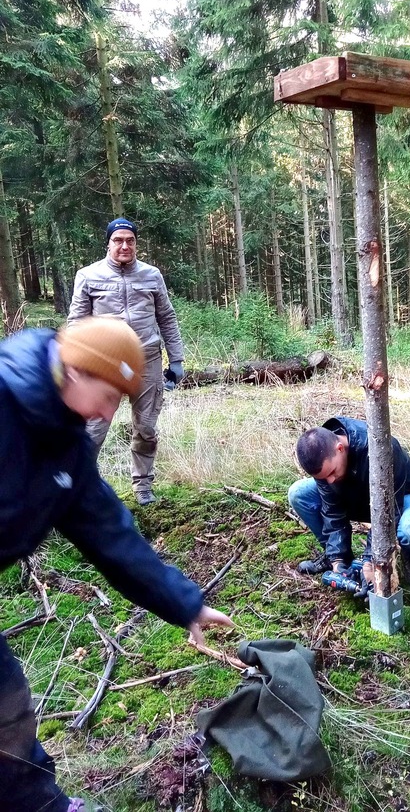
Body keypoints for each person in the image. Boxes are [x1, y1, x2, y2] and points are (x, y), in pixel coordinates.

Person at [0, 317, 233, 812]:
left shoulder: (67, 447)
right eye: (108, 396)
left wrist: (184, 603)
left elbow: (110, 536)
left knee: (6, 705)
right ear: (75, 372)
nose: (110, 412)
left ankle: (41, 806)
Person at [68, 217, 186, 505]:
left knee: (146, 427)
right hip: (104, 365)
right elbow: (76, 322)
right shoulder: (88, 276)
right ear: (108, 243)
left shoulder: (152, 275)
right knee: (93, 430)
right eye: (118, 240)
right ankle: (79, 489)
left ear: (136, 244)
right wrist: (74, 364)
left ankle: (143, 487)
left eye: (130, 240)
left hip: (147, 359)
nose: (124, 245)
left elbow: (166, 317)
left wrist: (177, 359)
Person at [288, 417, 410, 594]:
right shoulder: (325, 460)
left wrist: (370, 560)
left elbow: (389, 511)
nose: (330, 481)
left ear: (340, 448)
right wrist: (338, 560)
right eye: (324, 478)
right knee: (299, 493)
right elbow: (332, 511)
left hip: (402, 497)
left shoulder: (381, 447)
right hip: (360, 498)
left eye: (332, 472)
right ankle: (335, 556)